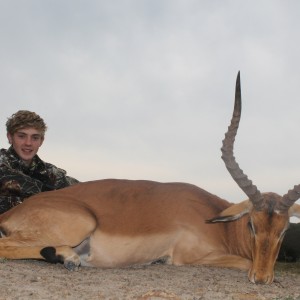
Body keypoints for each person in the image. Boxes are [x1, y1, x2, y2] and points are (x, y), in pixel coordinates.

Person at [0, 110, 79, 214]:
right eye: (21, 136)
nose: (28, 143)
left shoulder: (51, 173)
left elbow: (82, 190)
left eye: (35, 137)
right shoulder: (3, 167)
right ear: (10, 137)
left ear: (41, 141)